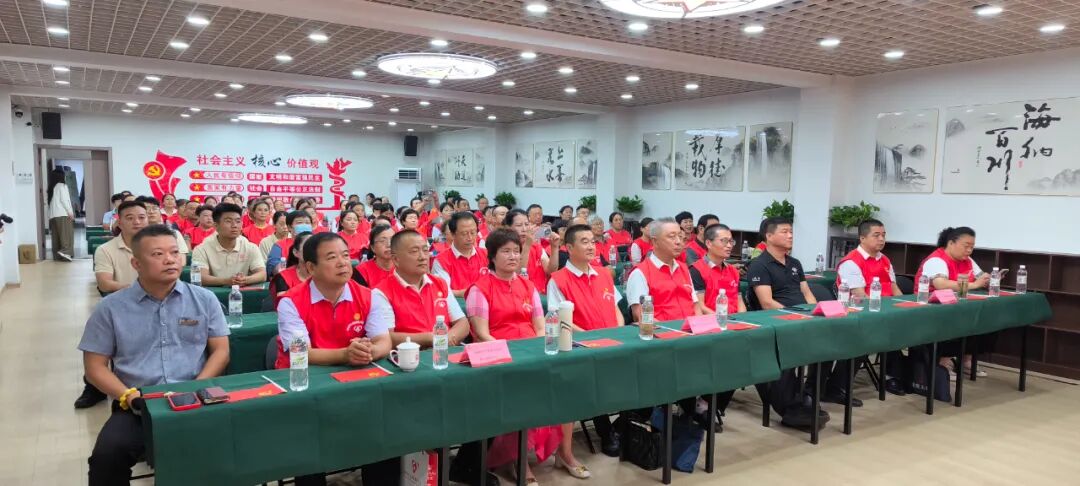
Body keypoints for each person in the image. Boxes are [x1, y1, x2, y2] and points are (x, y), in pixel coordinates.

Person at [79, 225, 230, 485]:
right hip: (138, 404)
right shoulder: (111, 308)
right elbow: (95, 367)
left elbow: (221, 351)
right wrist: (128, 396)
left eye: (174, 252)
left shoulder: (205, 299)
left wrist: (197, 387)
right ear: (136, 263)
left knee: (233, 445)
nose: (170, 260)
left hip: (197, 398)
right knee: (107, 457)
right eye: (158, 254)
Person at [273, 232, 399, 486]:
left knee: (386, 424)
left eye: (345, 255)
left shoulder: (368, 295)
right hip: (305, 384)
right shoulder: (290, 301)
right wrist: (345, 354)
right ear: (311, 268)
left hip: (354, 379)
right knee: (308, 440)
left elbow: (383, 341)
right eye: (332, 257)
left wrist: (368, 352)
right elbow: (301, 353)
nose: (343, 263)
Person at [465, 229, 589, 482]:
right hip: (500, 358)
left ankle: (565, 453)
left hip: (533, 352)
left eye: (516, 251)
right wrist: (515, 355)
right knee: (522, 394)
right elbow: (482, 334)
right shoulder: (480, 288)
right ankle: (518, 461)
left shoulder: (527, 285)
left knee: (567, 388)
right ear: (492, 256)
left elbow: (540, 327)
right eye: (506, 251)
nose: (513, 256)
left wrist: (540, 351)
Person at [548, 224, 625, 457]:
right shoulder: (558, 280)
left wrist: (618, 332)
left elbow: (616, 308)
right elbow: (561, 320)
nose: (591, 246)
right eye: (584, 241)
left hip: (613, 342)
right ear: (569, 248)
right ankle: (606, 431)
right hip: (582, 347)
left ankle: (625, 425)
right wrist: (591, 339)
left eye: (593, 241)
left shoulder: (603, 274)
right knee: (592, 380)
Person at [747, 217, 831, 430]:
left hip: (803, 320)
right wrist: (795, 316)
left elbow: (807, 293)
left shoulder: (794, 263)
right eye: (784, 231)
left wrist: (814, 313)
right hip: (778, 324)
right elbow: (767, 303)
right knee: (784, 358)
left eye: (791, 232)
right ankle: (790, 408)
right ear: (769, 236)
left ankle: (809, 395)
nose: (790, 235)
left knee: (828, 347)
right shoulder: (759, 265)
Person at [836, 218, 906, 394]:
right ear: (862, 238)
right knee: (874, 335)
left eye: (883, 235)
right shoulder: (851, 262)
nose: (881, 239)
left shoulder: (885, 260)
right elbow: (860, 296)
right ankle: (838, 386)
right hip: (862, 314)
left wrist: (905, 307)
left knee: (913, 330)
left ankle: (897, 376)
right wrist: (884, 313)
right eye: (876, 235)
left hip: (887, 311)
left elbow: (895, 288)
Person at [369, 230, 471, 348]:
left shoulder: (439, 283)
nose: (423, 257)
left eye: (425, 250)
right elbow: (386, 337)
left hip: (444, 350)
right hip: (410, 355)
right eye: (414, 251)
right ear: (396, 259)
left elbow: (462, 323)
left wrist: (447, 338)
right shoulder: (381, 293)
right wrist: (431, 338)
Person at [914, 226, 992, 378]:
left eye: (972, 247)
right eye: (966, 246)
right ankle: (944, 362)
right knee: (955, 318)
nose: (969, 250)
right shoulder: (936, 259)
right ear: (951, 243)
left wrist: (989, 279)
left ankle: (966, 361)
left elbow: (981, 277)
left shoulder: (968, 260)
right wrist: (975, 285)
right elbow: (940, 284)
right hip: (931, 307)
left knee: (983, 316)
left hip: (958, 303)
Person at [626, 218, 702, 322]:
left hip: (692, 327)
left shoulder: (683, 268)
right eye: (672, 237)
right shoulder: (640, 273)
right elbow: (640, 315)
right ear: (655, 241)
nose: (678, 242)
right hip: (664, 330)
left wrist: (700, 326)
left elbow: (695, 305)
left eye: (680, 236)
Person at [191, 203, 267, 287]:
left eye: (238, 221)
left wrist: (244, 280)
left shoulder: (250, 247)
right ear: (216, 226)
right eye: (228, 221)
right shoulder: (202, 249)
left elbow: (262, 274)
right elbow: (201, 277)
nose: (234, 225)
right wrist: (226, 281)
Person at [94, 201, 149, 293]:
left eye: (141, 217)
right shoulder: (105, 250)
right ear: (119, 223)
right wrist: (136, 290)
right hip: (124, 299)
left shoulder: (158, 246)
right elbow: (104, 284)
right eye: (130, 218)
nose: (137, 222)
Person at [432, 212, 488, 298]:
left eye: (473, 232)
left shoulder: (487, 255)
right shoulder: (441, 261)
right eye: (464, 233)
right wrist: (465, 293)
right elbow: (442, 290)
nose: (470, 238)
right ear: (453, 234)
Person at [505, 209, 558, 293]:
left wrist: (554, 247)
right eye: (519, 225)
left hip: (539, 294)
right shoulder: (504, 248)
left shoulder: (536, 247)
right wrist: (527, 245)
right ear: (508, 228)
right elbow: (517, 273)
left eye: (526, 224)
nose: (524, 229)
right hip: (518, 294)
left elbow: (551, 271)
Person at [269, 231, 313, 305]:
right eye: (307, 246)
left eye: (315, 247)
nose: (312, 251)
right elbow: (284, 305)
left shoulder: (324, 274)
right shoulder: (283, 277)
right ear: (296, 252)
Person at [266, 211, 314, 275]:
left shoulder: (318, 243)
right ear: (289, 227)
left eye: (307, 223)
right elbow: (271, 268)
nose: (304, 225)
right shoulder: (279, 246)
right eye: (299, 223)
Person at [47, 168, 75, 261]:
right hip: (63, 214)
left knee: (56, 237)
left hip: (53, 215)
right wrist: (70, 212)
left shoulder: (52, 187)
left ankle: (57, 256)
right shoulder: (62, 186)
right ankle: (66, 252)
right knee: (66, 235)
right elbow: (64, 200)